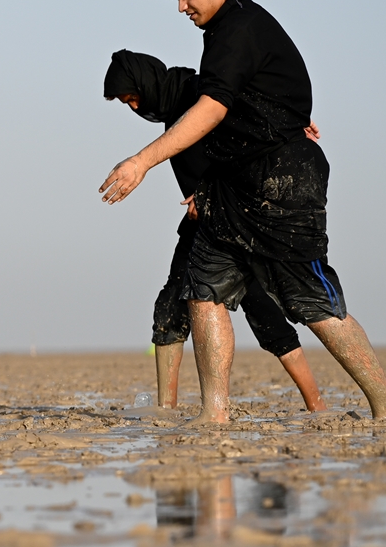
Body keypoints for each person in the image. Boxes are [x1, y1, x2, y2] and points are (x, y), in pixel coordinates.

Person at [99, 0, 386, 424]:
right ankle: (214, 415)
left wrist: (140, 161)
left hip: (281, 181)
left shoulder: (240, 26)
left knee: (310, 300)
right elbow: (248, 95)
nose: (181, 8)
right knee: (204, 288)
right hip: (234, 183)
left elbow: (212, 107)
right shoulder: (222, 34)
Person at [103, 49, 326, 412]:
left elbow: (251, 112)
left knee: (266, 313)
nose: (133, 107)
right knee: (169, 310)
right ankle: (166, 409)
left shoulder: (197, 91)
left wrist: (293, 127)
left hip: (238, 215)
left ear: (146, 82)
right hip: (202, 223)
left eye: (133, 97)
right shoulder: (171, 111)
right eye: (126, 102)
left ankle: (317, 404)